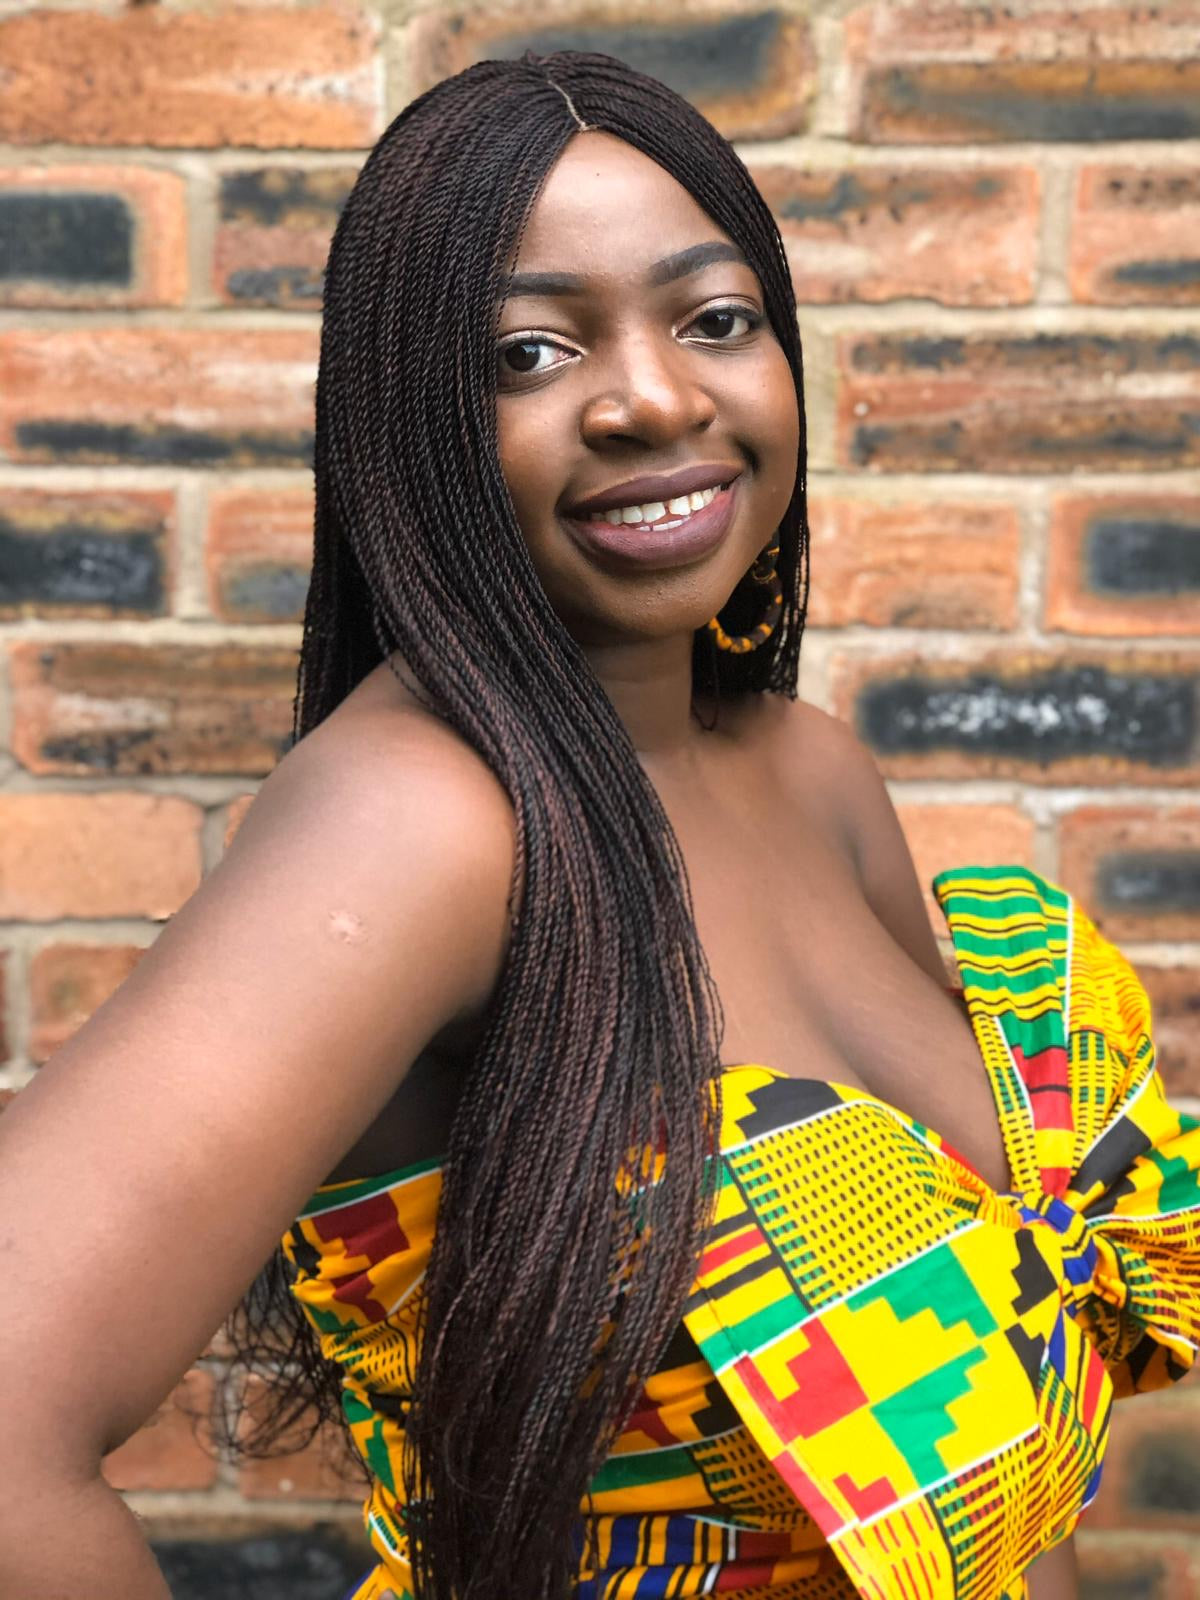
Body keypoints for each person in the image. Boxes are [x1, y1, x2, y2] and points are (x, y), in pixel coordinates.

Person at [0, 50, 1196, 1600]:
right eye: (530, 353)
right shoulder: (426, 821)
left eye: (716, 319)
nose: (653, 397)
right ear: (409, 423)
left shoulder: (810, 771)